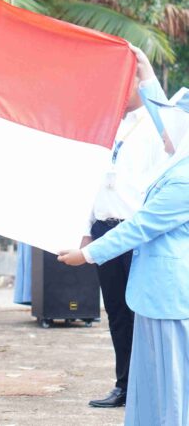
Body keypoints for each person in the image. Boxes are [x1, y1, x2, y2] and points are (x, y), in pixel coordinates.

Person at [59, 85, 189, 426]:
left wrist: (87, 254)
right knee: (151, 382)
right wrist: (143, 69)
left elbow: (142, 226)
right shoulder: (174, 169)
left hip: (169, 293)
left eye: (169, 125)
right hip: (154, 290)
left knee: (172, 385)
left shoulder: (183, 178)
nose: (164, 130)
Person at [77, 51, 166, 409]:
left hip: (136, 230)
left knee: (143, 310)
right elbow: (91, 181)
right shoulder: (106, 123)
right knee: (116, 310)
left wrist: (143, 67)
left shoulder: (158, 124)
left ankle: (152, 386)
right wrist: (86, 228)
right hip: (104, 228)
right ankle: (125, 386)